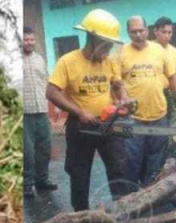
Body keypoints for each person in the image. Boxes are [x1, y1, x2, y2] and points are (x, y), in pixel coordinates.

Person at [46, 9, 132, 212]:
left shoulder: (109, 61)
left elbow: (118, 84)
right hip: (80, 126)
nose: (110, 48)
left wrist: (124, 98)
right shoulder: (68, 62)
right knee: (79, 172)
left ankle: (124, 211)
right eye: (107, 44)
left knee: (118, 168)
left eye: (112, 44)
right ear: (93, 38)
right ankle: (81, 216)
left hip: (109, 123)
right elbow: (51, 92)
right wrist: (79, 112)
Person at [119, 17, 176, 189]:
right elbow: (115, 82)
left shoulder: (158, 50)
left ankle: (152, 195)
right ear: (128, 33)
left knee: (156, 158)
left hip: (159, 114)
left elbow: (172, 76)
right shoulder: (121, 52)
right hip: (133, 118)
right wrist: (122, 101)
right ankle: (132, 198)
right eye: (134, 31)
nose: (138, 34)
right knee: (132, 160)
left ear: (147, 30)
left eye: (141, 30)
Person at [22, 27, 57, 199]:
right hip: (24, 113)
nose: (29, 43)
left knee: (44, 148)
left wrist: (54, 106)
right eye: (26, 39)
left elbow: (46, 82)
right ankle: (27, 185)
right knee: (27, 152)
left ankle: (41, 180)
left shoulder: (40, 60)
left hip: (42, 110)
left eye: (31, 39)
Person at [153, 17, 176, 118]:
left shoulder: (174, 52)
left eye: (169, 32)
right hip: (150, 94)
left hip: (165, 95)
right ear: (155, 31)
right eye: (163, 32)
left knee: (166, 127)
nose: (167, 36)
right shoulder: (148, 49)